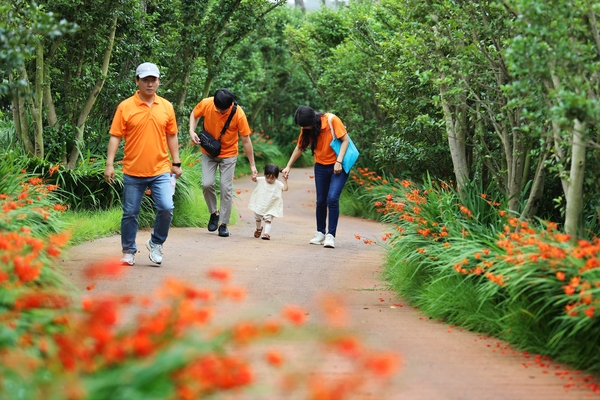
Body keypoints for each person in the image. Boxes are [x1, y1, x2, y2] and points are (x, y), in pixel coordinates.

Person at [104, 62, 182, 266]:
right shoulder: (125, 107)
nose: (150, 84)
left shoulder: (166, 106)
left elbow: (172, 136)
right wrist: (109, 164)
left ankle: (156, 243)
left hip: (160, 169)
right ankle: (129, 250)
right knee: (130, 212)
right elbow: (115, 137)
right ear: (137, 81)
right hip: (133, 170)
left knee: (166, 207)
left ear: (159, 81)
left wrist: (176, 162)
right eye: (145, 80)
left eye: (153, 80)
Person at [189, 88, 258, 237]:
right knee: (207, 184)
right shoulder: (207, 104)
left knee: (225, 188)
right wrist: (191, 131)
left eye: (223, 110)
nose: (220, 112)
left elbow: (246, 140)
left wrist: (252, 164)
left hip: (228, 154)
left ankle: (224, 224)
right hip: (209, 151)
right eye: (218, 109)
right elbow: (194, 115)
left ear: (231, 104)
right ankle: (214, 212)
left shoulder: (238, 114)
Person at [282, 106, 350, 249]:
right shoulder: (307, 128)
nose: (304, 128)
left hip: (338, 166)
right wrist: (288, 166)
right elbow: (300, 147)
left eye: (305, 126)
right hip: (320, 166)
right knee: (320, 201)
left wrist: (339, 161)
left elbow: (345, 140)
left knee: (332, 199)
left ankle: (331, 235)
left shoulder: (331, 120)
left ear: (312, 120)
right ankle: (320, 233)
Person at [248, 163, 289, 240]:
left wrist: (285, 181)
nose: (269, 180)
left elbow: (285, 189)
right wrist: (253, 176)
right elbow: (254, 179)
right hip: (260, 204)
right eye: (267, 177)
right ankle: (258, 229)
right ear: (264, 175)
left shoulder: (278, 184)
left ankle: (266, 234)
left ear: (276, 177)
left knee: (268, 220)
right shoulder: (261, 180)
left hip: (270, 206)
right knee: (258, 218)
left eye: (272, 178)